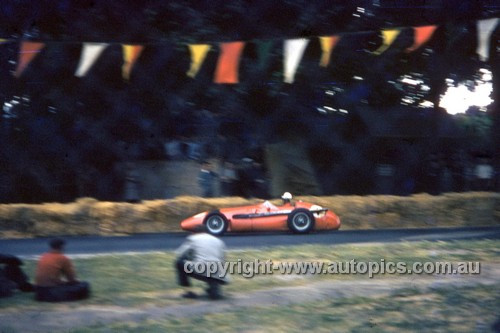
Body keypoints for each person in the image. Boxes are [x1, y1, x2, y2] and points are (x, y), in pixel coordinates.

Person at [175, 225, 227, 300]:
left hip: (201, 268)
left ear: (194, 233)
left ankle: (188, 291)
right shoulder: (218, 241)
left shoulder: (193, 238)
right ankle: (213, 288)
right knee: (212, 267)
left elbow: (180, 253)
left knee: (180, 262)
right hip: (219, 272)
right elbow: (223, 259)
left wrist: (191, 257)